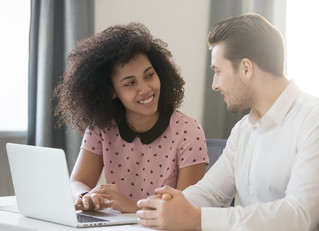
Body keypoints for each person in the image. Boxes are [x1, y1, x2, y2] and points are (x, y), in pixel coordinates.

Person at [136, 13, 319, 231]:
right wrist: (168, 205)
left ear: (245, 69)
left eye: (218, 71)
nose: (215, 85)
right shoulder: (244, 129)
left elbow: (298, 215)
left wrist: (196, 218)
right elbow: (211, 192)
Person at [53, 23, 209, 213]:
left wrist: (130, 205)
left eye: (149, 75)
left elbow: (187, 207)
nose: (145, 89)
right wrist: (86, 196)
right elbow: (78, 182)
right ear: (111, 91)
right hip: (115, 230)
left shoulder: (188, 130)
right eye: (130, 83)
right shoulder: (101, 127)